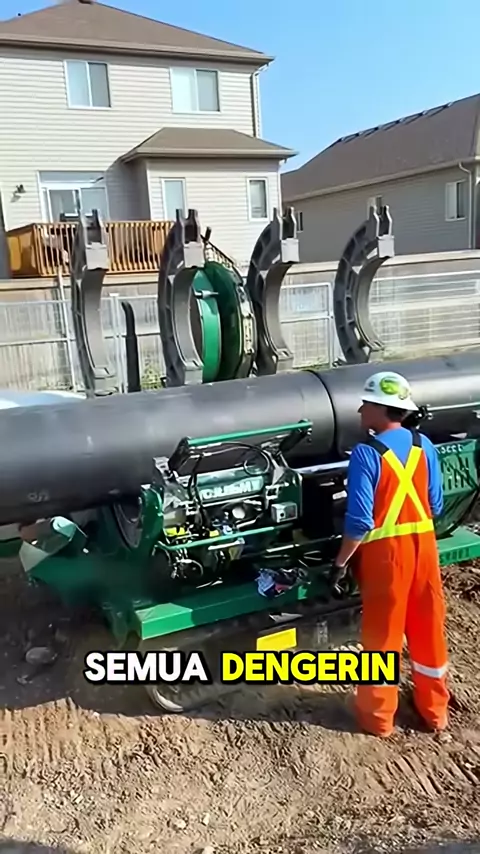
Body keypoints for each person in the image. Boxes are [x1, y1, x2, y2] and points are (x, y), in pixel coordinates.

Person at [331, 370, 450, 738]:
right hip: (425, 550)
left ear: (382, 410)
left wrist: (340, 563)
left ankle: (378, 718)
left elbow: (359, 521)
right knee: (428, 628)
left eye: (366, 404)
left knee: (382, 636)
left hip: (387, 558)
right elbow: (436, 504)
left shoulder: (366, 453)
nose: (360, 410)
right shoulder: (424, 444)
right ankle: (435, 712)